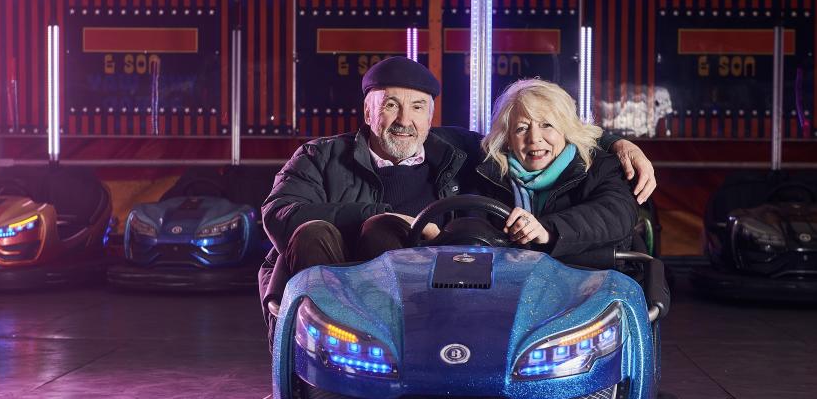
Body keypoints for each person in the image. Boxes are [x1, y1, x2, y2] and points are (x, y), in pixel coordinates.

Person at [259, 57, 655, 330]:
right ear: (368, 111)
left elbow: (557, 135)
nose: (405, 120)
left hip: (434, 302)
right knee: (340, 230)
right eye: (391, 106)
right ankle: (323, 365)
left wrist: (620, 143)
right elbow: (280, 211)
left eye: (417, 107)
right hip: (342, 298)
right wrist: (382, 216)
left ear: (431, 115)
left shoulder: (460, 151)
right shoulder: (320, 156)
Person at [474, 78, 638, 265]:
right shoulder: (488, 176)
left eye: (546, 125)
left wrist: (547, 231)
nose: (534, 138)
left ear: (565, 130)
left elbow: (616, 214)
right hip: (509, 283)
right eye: (522, 128)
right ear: (508, 140)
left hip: (585, 281)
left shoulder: (600, 166)